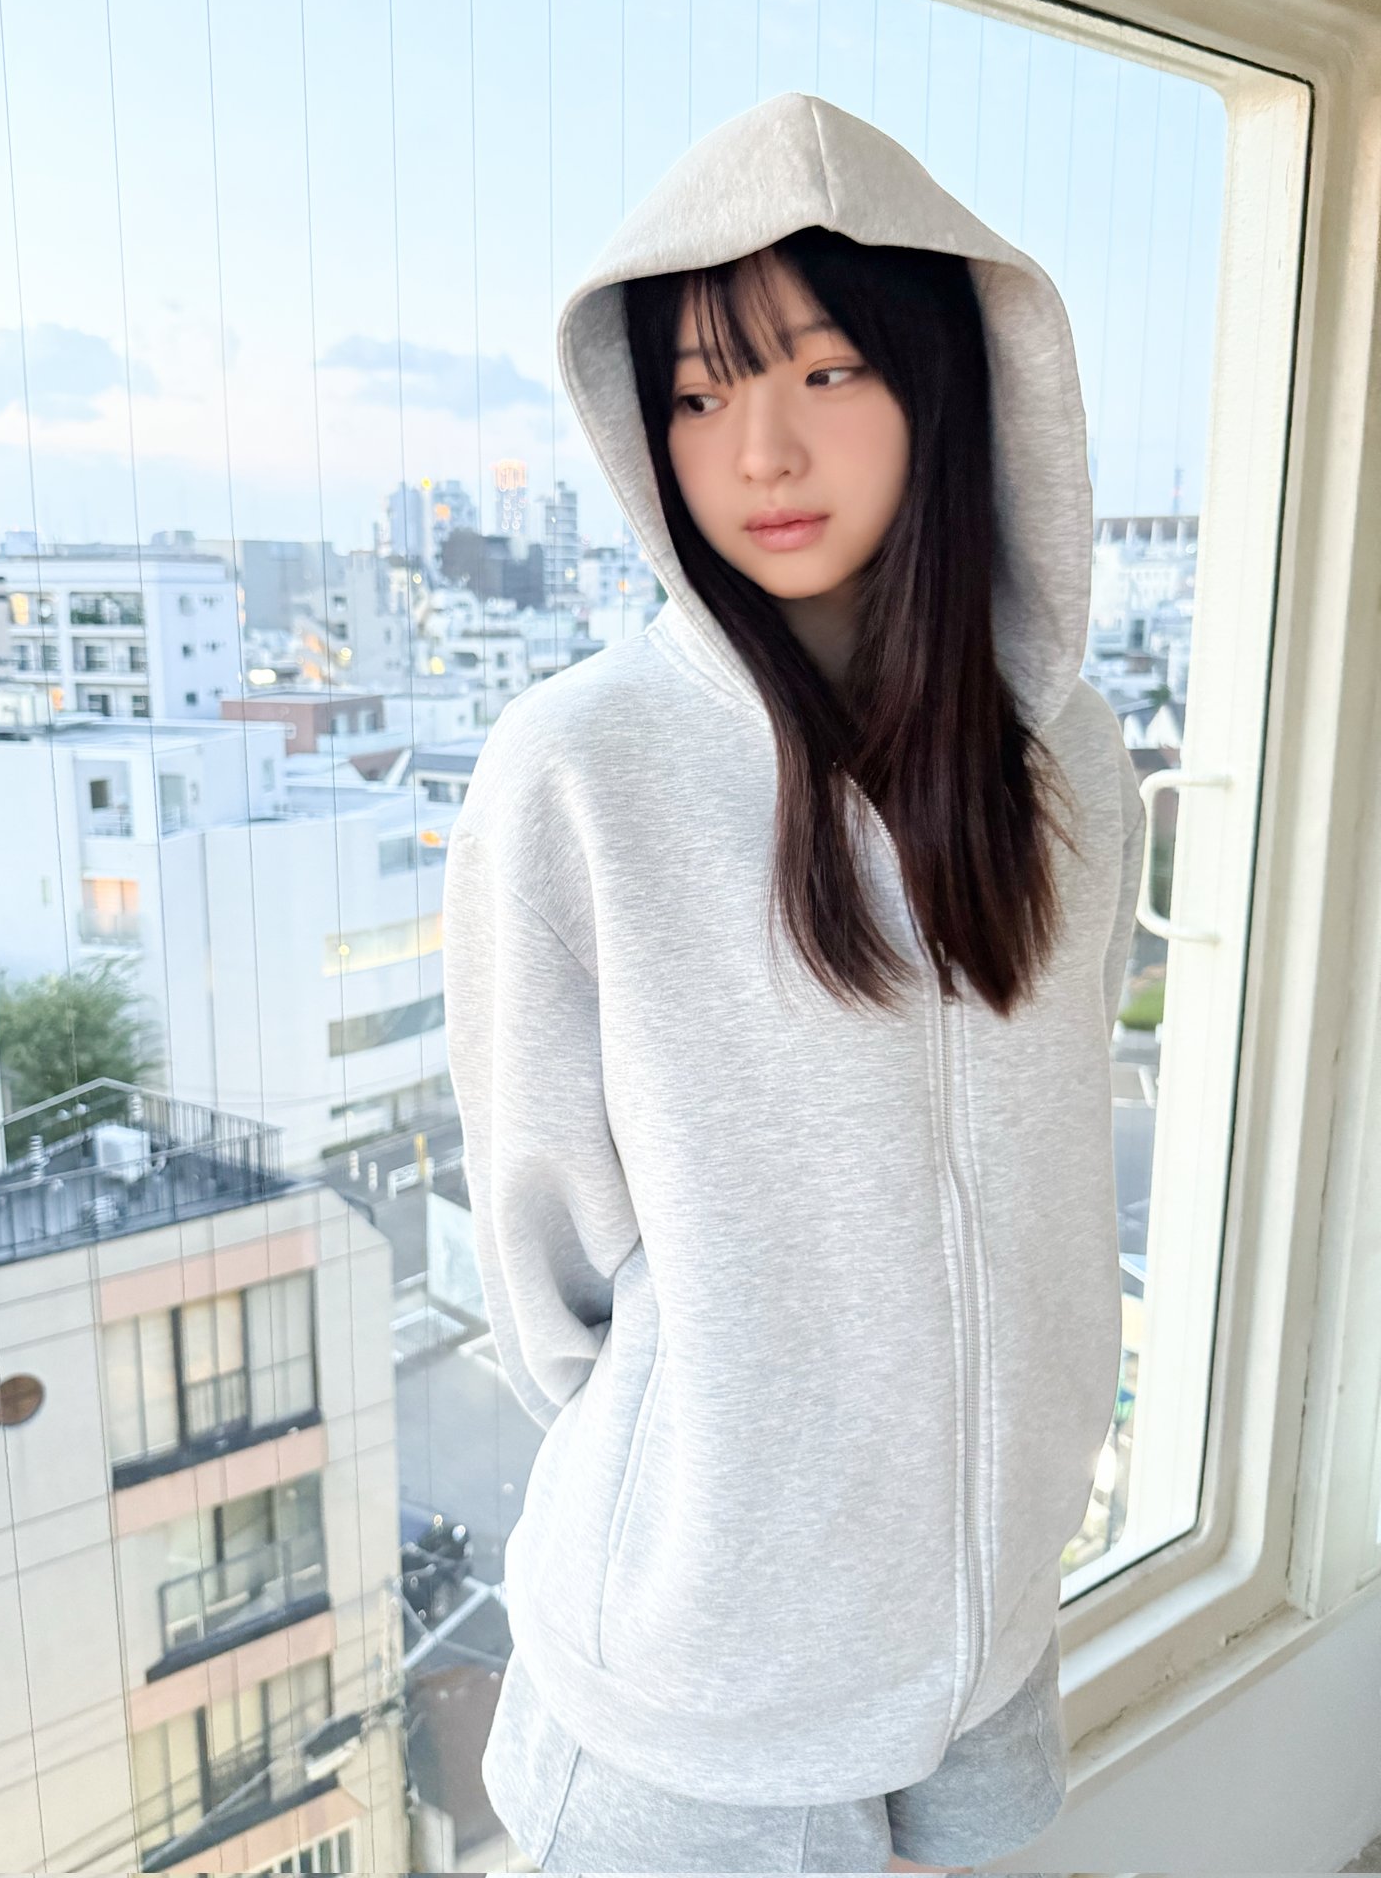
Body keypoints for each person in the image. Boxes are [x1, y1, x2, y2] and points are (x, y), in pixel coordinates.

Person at [441, 91, 1147, 1875]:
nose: (757, 450)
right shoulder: (579, 771)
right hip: (705, 1682)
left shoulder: (1071, 764)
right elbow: (547, 1277)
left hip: (993, 1629)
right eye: (697, 394)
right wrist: (723, 1465)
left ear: (942, 388)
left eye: (826, 371)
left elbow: (1056, 1156)